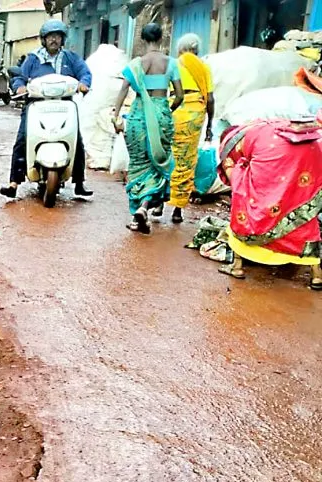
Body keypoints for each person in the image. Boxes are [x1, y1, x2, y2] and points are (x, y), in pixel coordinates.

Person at [216, 118, 322, 289]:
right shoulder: (263, 126)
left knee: (244, 202)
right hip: (313, 151)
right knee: (301, 209)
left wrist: (234, 171)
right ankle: (317, 276)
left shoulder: (233, 145)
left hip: (277, 152)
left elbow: (235, 183)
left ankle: (237, 266)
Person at [0, 20, 94, 200]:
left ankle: (79, 182)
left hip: (64, 105)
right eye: (51, 36)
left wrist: (84, 83)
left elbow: (84, 72)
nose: (54, 40)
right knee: (22, 139)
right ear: (44, 39)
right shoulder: (33, 59)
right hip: (36, 105)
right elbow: (19, 76)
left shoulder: (70, 58)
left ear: (62, 39)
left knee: (77, 141)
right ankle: (14, 183)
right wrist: (19, 86)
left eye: (58, 36)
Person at [111, 23, 183, 233]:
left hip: (138, 117)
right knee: (157, 166)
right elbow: (179, 95)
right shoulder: (171, 63)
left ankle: (137, 214)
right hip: (161, 116)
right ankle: (145, 207)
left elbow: (123, 89)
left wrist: (115, 115)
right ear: (161, 39)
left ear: (143, 39)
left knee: (139, 164)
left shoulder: (135, 65)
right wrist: (166, 109)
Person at [167, 33, 215, 223]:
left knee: (168, 155)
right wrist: (210, 123)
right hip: (195, 112)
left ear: (180, 49)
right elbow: (210, 99)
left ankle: (158, 204)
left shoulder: (173, 64)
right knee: (186, 160)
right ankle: (178, 210)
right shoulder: (203, 67)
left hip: (174, 110)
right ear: (197, 50)